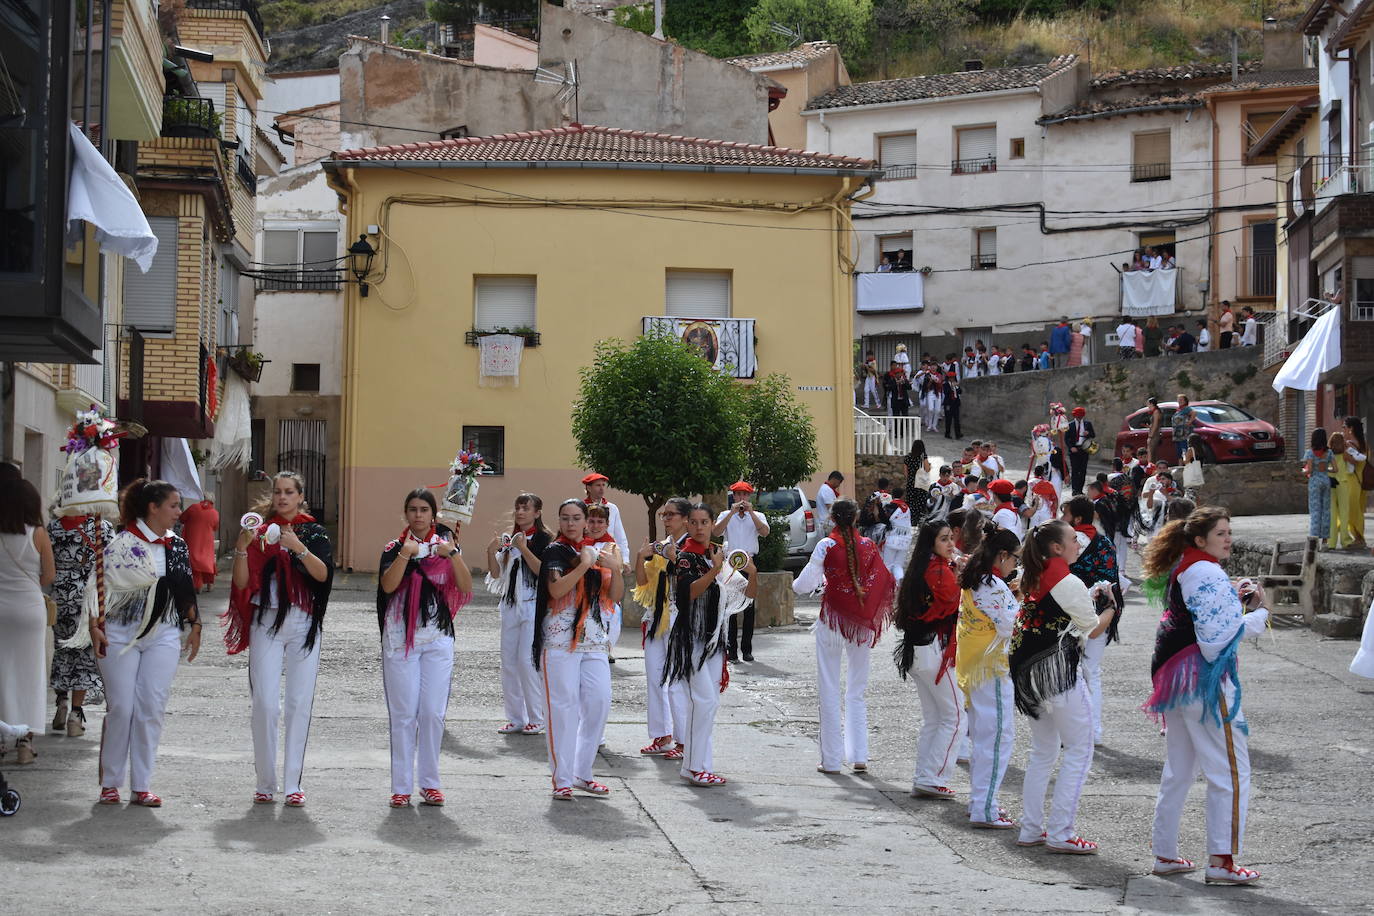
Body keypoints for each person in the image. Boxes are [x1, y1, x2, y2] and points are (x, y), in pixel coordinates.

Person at [1142, 506, 1268, 885]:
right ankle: (1222, 862)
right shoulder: (1205, 570)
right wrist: (1258, 614)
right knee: (1230, 772)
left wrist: (1234, 602)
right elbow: (1216, 639)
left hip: (1177, 677)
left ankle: (1165, 853)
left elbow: (1206, 621)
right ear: (1200, 539)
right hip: (1204, 679)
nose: (1228, 539)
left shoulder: (1188, 565)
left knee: (1180, 769)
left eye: (1229, 532)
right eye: (1221, 533)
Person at [74, 480, 202, 806]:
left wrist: (195, 623)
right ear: (153, 508)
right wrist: (94, 626)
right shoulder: (120, 543)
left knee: (151, 708)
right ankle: (110, 782)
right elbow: (96, 589)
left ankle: (142, 785)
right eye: (173, 506)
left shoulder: (177, 545)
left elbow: (184, 588)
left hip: (163, 633)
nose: (178, 512)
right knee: (122, 708)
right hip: (119, 633)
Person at [224, 471, 334, 807]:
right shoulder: (258, 531)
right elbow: (242, 584)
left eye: (289, 492)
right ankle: (265, 782)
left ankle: (292, 784)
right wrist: (242, 550)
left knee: (299, 703)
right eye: (277, 492)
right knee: (266, 703)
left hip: (302, 622)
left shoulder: (314, 532)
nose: (283, 497)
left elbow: (323, 574)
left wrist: (298, 548)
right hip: (265, 620)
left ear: (301, 496)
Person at [1010, 520, 1115, 853]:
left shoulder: (1033, 575)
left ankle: (1031, 829)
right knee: (1079, 750)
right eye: (1073, 539)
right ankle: (1061, 833)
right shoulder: (1068, 581)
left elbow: (1061, 610)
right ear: (1057, 548)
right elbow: (1093, 629)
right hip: (1056, 673)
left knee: (1042, 752)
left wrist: (1089, 598)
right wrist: (1111, 607)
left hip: (1028, 673)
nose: (1078, 544)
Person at [377, 489, 472, 807]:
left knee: (432, 712)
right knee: (403, 714)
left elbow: (466, 586)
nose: (418, 515)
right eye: (412, 510)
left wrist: (453, 554)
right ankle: (401, 786)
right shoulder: (394, 547)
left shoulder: (445, 548)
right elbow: (388, 586)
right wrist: (405, 554)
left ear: (433, 515)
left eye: (423, 510)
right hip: (400, 636)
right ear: (406, 514)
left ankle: (430, 782)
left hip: (437, 636)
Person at [794, 498, 893, 775]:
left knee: (828, 689)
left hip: (832, 623)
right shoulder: (869, 546)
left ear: (833, 520)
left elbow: (803, 586)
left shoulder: (826, 545)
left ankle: (831, 760)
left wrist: (825, 584)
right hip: (859, 625)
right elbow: (881, 580)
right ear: (857, 517)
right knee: (856, 691)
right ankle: (859, 755)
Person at [532, 499, 621, 798]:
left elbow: (615, 595)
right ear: (559, 521)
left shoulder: (600, 551)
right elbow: (556, 590)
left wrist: (616, 569)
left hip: (594, 638)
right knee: (563, 708)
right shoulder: (555, 551)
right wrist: (585, 564)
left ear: (586, 521)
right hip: (559, 640)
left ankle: (583, 772)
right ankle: (562, 778)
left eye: (576, 518)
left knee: (599, 702)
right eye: (565, 518)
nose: (571, 523)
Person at [666, 503, 756, 786]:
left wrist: (752, 573)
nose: (700, 527)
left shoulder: (718, 553)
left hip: (714, 639)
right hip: (691, 639)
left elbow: (746, 595)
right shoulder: (685, 557)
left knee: (708, 703)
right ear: (688, 525)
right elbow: (688, 594)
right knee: (702, 701)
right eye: (694, 522)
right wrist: (715, 569)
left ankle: (696, 765)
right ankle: (695, 767)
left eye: (704, 521)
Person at [894, 518, 966, 800]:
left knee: (936, 718)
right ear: (931, 543)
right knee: (956, 716)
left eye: (951, 538)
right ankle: (934, 777)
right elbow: (959, 600)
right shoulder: (938, 572)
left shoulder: (924, 567)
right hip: (935, 650)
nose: (951, 544)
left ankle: (925, 776)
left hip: (919, 650)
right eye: (944, 539)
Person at [957, 527, 1022, 829]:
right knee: (997, 739)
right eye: (1014, 560)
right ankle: (984, 807)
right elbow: (1012, 626)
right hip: (991, 667)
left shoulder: (977, 578)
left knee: (984, 740)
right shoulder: (992, 584)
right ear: (1003, 555)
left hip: (977, 666)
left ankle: (982, 803)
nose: (1015, 567)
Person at [0, 476, 55, 767]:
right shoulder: (38, 534)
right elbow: (48, 576)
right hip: (28, 608)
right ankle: (25, 741)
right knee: (30, 675)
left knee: (2, 673)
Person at [47, 510, 115, 739]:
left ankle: (61, 701)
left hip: (60, 597)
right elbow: (112, 564)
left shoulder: (54, 528)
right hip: (88, 599)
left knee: (62, 649)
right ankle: (76, 714)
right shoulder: (100, 528)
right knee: (83, 653)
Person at [632, 497, 691, 759]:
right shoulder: (662, 546)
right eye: (664, 515)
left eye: (671, 515)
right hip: (657, 616)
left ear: (685, 518)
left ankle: (683, 740)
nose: (666, 519)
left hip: (681, 617)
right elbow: (643, 582)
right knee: (655, 677)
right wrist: (640, 557)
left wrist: (674, 557)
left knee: (678, 681)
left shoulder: (693, 545)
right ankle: (661, 734)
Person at [489, 494, 551, 736]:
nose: (520, 512)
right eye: (517, 508)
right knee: (509, 662)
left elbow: (542, 572)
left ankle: (537, 717)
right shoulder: (509, 539)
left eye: (526, 508)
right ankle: (515, 717)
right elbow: (496, 575)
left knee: (527, 661)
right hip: (511, 605)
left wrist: (523, 548)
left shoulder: (545, 540)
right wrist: (491, 551)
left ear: (537, 512)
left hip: (534, 604)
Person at [1063, 496, 1122, 746]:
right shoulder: (1106, 542)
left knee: (1070, 673)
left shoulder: (1067, 544)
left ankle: (1073, 731)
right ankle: (1094, 731)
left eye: (1065, 513)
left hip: (1073, 614)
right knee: (1091, 672)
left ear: (1076, 518)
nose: (1061, 518)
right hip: (1105, 611)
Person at [715, 481, 768, 662]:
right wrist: (731, 512)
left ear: (749, 497)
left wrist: (751, 513)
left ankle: (747, 649)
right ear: (734, 496)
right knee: (731, 608)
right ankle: (731, 649)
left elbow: (765, 532)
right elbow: (716, 532)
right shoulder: (725, 514)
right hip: (731, 564)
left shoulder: (758, 515)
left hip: (749, 562)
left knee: (749, 608)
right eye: (738, 495)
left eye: (745, 495)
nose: (742, 498)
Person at [581, 473, 628, 560]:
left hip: (608, 551)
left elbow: (620, 536)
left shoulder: (612, 508)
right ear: (588, 488)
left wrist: (625, 559)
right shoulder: (580, 507)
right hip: (586, 551)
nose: (601, 488)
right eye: (598, 485)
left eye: (603, 485)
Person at [179, 495, 220, 593]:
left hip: (192, 538)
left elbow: (182, 518)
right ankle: (210, 584)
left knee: (193, 560)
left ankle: (198, 585)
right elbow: (215, 527)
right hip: (207, 540)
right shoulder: (214, 513)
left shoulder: (193, 507)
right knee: (207, 560)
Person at [1341, 416, 1368, 549]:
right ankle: (1358, 537)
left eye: (1344, 427)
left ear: (1350, 429)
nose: (1343, 430)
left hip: (1352, 481)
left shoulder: (1350, 444)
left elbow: (1355, 461)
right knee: (1356, 509)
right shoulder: (1363, 444)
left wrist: (1344, 455)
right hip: (1358, 480)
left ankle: (1359, 538)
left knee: (1353, 509)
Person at [1329, 432, 1358, 550]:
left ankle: (1331, 543)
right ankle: (1345, 541)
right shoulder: (1344, 454)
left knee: (1332, 514)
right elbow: (1355, 462)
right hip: (1343, 484)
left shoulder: (1328, 454)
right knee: (1344, 513)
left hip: (1330, 483)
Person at [1303, 428, 1332, 542]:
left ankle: (1314, 540)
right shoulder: (1329, 453)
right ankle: (1325, 540)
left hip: (1315, 481)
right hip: (1326, 480)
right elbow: (1335, 469)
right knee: (1326, 510)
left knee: (1315, 510)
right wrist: (1325, 468)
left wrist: (1303, 471)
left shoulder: (1310, 453)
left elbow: (1309, 470)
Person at [1065, 407, 1095, 495]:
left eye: (1081, 416)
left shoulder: (1087, 424)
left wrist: (1088, 433)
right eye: (1078, 416)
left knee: (1083, 470)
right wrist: (1071, 447)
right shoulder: (1070, 425)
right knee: (1075, 470)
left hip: (1084, 450)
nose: (1079, 418)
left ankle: (1080, 489)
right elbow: (1066, 438)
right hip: (1074, 450)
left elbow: (1093, 435)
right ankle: (1074, 489)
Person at [1171, 396, 1197, 463]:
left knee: (1184, 450)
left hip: (1184, 434)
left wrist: (1190, 421)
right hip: (1177, 434)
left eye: (1181, 400)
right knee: (1179, 452)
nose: (1179, 401)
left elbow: (1194, 413)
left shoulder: (1186, 409)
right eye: (1178, 400)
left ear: (1185, 401)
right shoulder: (1179, 410)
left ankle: (1187, 464)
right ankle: (1180, 465)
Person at [942, 372, 963, 439]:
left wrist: (956, 387)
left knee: (957, 420)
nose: (952, 379)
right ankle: (947, 433)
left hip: (955, 403)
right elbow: (946, 392)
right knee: (948, 419)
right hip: (948, 403)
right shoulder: (945, 384)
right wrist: (952, 387)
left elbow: (960, 391)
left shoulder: (956, 384)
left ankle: (958, 434)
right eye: (951, 377)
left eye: (953, 377)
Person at [1145, 398, 1163, 464]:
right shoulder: (1154, 412)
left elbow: (1155, 425)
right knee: (1153, 453)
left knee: (1151, 453)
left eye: (1148, 404)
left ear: (1152, 404)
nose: (1148, 406)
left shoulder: (1156, 412)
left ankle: (1151, 466)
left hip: (1154, 435)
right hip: (1154, 433)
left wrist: (1150, 436)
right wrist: (1149, 426)